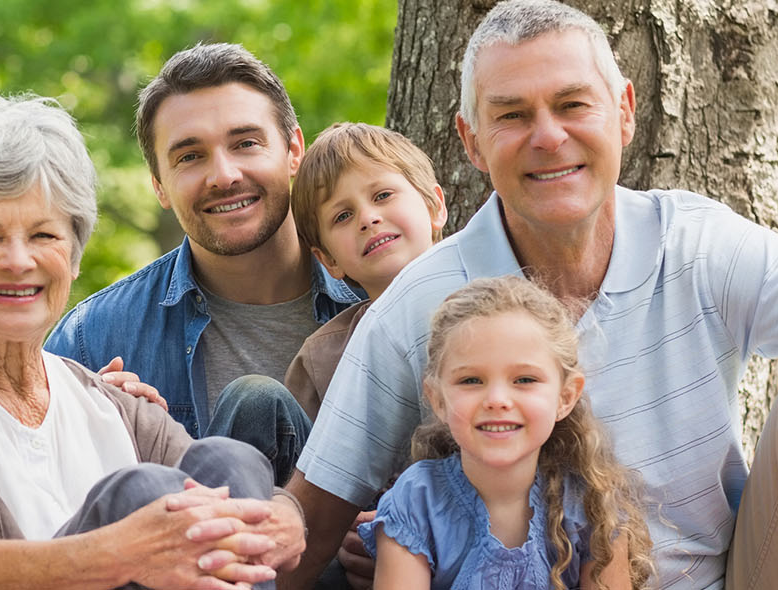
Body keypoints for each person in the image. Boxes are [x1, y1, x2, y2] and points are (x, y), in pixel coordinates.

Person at [283, 1, 778, 589]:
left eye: (572, 104)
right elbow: (309, 522)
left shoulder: (696, 243)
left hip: (737, 577)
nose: (549, 136)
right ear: (471, 141)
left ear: (623, 112)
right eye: (512, 115)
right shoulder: (425, 301)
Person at [0, 93, 305, 590]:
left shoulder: (105, 397)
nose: (19, 261)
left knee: (230, 461)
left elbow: (230, 485)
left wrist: (287, 518)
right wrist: (123, 552)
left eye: (44, 235)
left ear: (74, 257)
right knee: (143, 492)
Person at [46, 43, 363, 485]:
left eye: (246, 143)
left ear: (294, 151)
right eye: (190, 156)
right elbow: (35, 497)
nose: (224, 175)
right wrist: (102, 439)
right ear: (159, 185)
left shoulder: (383, 295)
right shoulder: (91, 341)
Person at [362, 276, 652, 589]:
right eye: (471, 380)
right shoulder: (417, 501)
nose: (497, 400)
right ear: (438, 400)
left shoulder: (592, 504)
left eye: (525, 379)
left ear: (566, 397)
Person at [283, 122, 447, 421]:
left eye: (383, 195)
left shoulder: (502, 307)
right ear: (328, 259)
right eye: (343, 216)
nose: (368, 219)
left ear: (434, 207)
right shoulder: (322, 360)